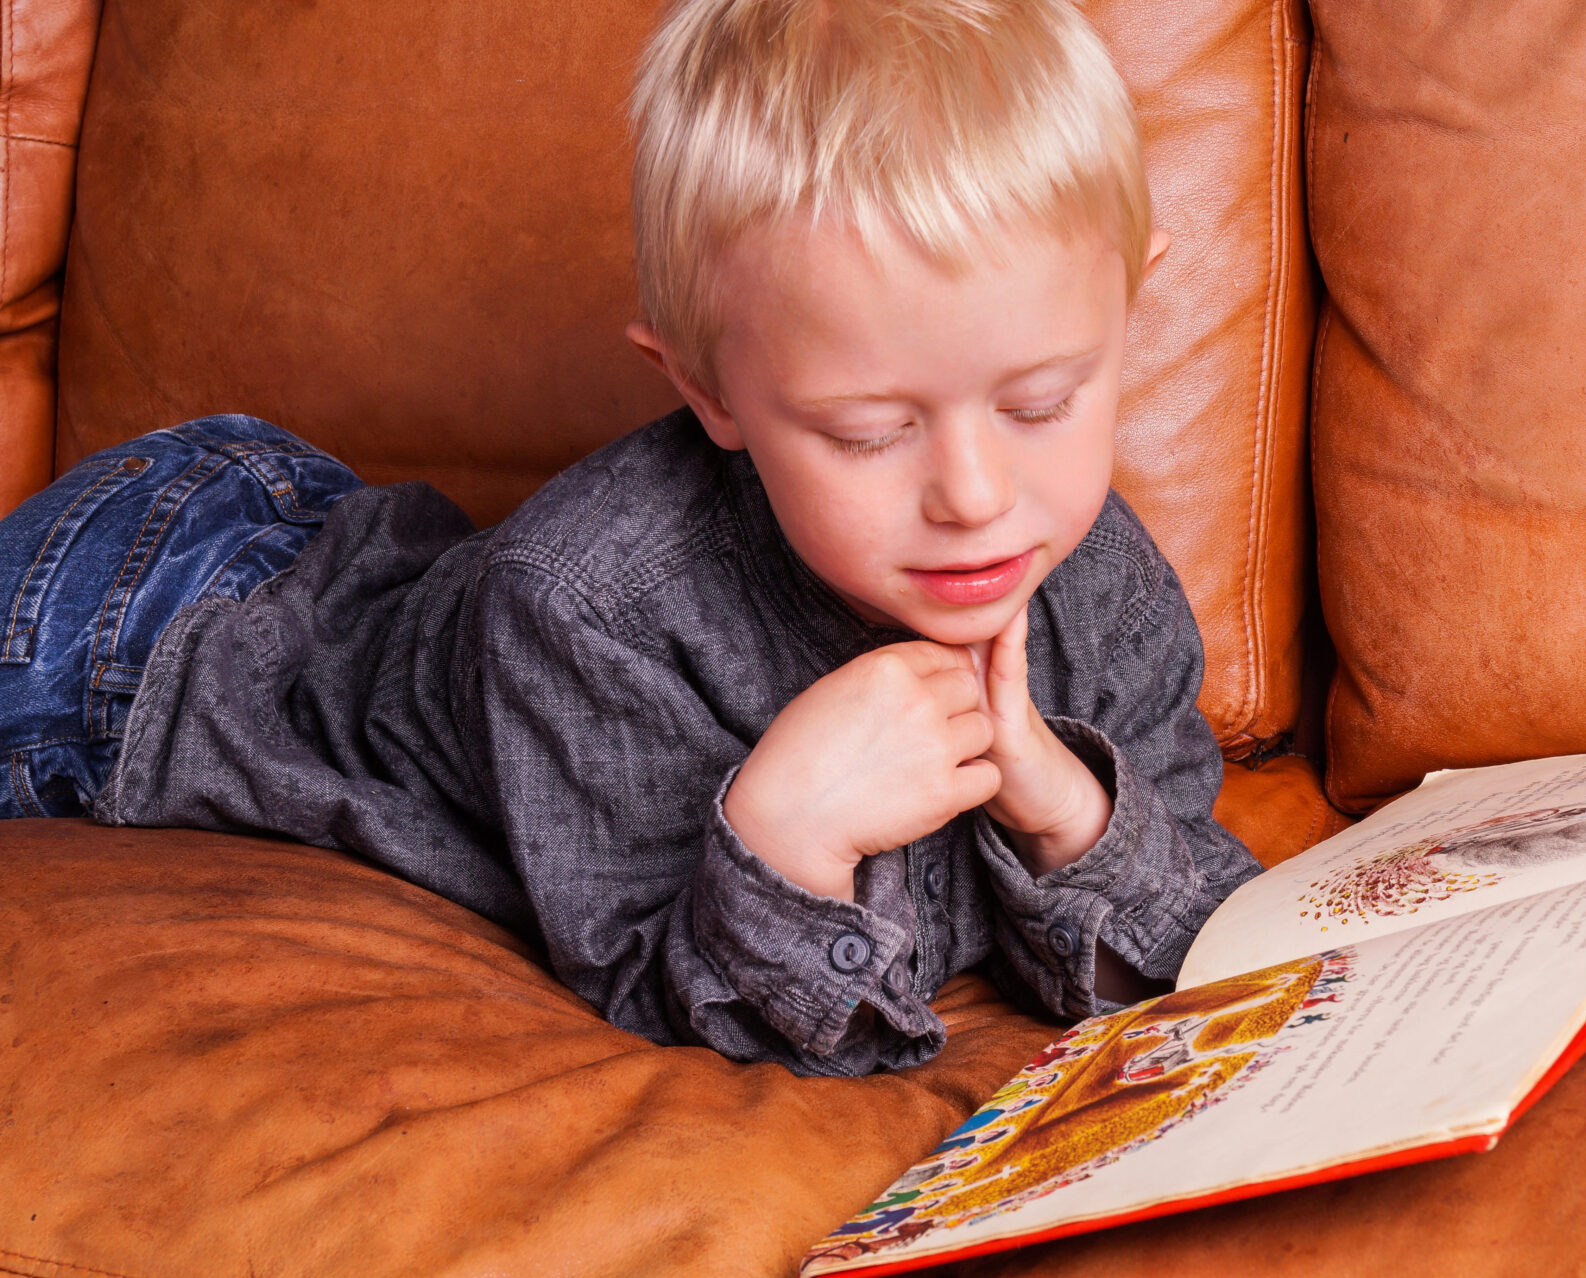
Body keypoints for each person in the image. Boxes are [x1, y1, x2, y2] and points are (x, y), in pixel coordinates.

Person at [0, 0, 1261, 1076]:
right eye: (870, 433)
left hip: (339, 552)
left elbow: (1209, 930)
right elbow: (672, 998)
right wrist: (783, 839)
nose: (980, 495)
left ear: (1130, 307)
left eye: (1041, 403)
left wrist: (1067, 811)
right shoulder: (588, 608)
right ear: (709, 393)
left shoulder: (1095, 578)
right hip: (131, 634)